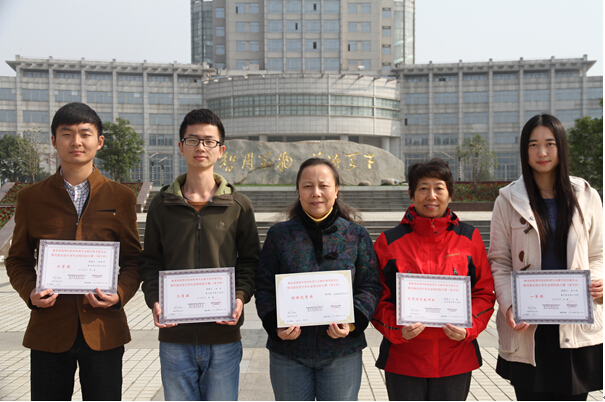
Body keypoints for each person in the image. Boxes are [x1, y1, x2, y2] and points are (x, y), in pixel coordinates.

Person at [5, 102, 141, 401]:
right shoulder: (31, 197)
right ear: (54, 141)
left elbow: (133, 260)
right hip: (49, 328)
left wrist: (119, 293)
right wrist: (31, 292)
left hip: (104, 329)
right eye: (66, 134)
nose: (76, 141)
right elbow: (17, 259)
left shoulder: (121, 197)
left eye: (84, 134)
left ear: (99, 141)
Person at [140, 108, 260, 401]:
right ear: (181, 147)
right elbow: (151, 261)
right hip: (175, 336)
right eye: (193, 140)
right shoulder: (161, 205)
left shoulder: (238, 206)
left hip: (223, 336)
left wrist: (240, 297)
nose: (201, 147)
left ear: (221, 150)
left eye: (209, 141)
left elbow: (250, 261)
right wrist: (154, 299)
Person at [488, 114, 603, 401]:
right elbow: (499, 261)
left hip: (575, 325)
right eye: (533, 144)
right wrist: (509, 304)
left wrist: (599, 279)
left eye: (550, 143)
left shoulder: (586, 196)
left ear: (561, 147)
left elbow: (598, 253)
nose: (542, 152)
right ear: (524, 150)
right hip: (529, 327)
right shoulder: (507, 200)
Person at [254, 158, 381, 401]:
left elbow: (370, 285)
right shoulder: (279, 235)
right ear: (298, 191)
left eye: (323, 185)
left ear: (336, 190)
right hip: (289, 352)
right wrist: (274, 324)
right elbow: (264, 286)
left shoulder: (355, 235)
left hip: (341, 352)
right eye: (307, 186)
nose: (316, 193)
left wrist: (352, 323)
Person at [372, 158, 495, 401]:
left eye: (439, 188)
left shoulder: (469, 237)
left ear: (450, 194)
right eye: (423, 188)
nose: (431, 196)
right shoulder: (388, 242)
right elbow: (376, 298)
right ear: (411, 194)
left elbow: (484, 292)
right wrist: (397, 329)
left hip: (455, 357)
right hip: (405, 359)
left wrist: (469, 326)